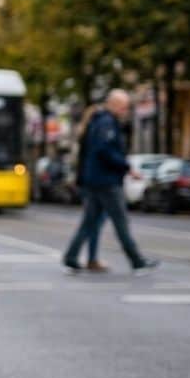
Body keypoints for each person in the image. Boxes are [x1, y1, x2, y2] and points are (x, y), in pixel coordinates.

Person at [63, 89, 160, 275]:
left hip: (94, 180)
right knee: (120, 222)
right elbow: (105, 150)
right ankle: (137, 260)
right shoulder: (107, 123)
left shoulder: (97, 122)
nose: (125, 111)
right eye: (124, 107)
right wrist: (126, 166)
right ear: (114, 104)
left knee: (89, 222)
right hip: (106, 181)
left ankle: (71, 256)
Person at [69, 104, 106, 272]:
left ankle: (83, 257)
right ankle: (83, 257)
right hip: (95, 183)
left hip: (86, 182)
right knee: (93, 222)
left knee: (92, 222)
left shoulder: (84, 133)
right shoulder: (96, 133)